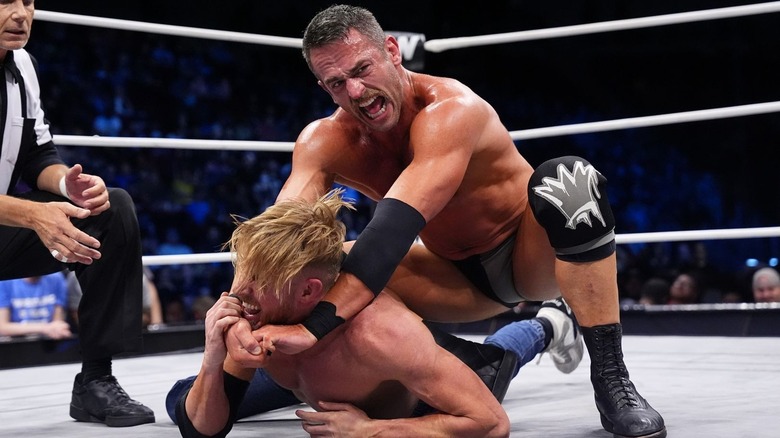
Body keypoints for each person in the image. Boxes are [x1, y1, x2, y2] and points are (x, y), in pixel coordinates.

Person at [226, 5, 665, 438]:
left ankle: (613, 382)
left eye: (363, 68)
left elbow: (392, 229)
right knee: (327, 261)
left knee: (569, 179)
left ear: (392, 51)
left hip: (527, 258)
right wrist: (241, 306)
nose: (357, 91)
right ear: (324, 87)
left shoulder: (451, 110)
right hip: (450, 276)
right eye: (338, 83)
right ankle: (479, 364)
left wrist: (310, 327)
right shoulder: (324, 141)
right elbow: (277, 238)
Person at [170, 191, 583, 437]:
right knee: (181, 399)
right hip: (314, 375)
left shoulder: (382, 334)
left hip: (416, 395)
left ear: (309, 291)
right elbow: (203, 430)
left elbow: (492, 424)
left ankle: (548, 323)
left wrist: (372, 431)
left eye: (256, 280)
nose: (239, 292)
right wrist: (213, 357)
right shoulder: (260, 313)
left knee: (496, 358)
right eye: (242, 273)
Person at [0, 0, 153, 427]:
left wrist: (69, 183)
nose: (20, 14)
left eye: (27, 2)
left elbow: (36, 154)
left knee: (111, 208)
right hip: (12, 216)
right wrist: (33, 215)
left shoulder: (22, 65)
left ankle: (96, 381)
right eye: (4, 1)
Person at [0, 272, 72, 339]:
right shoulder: (6, 280)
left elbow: (57, 323)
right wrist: (44, 328)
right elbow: (2, 327)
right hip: (16, 342)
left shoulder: (56, 278)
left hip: (48, 341)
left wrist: (55, 328)